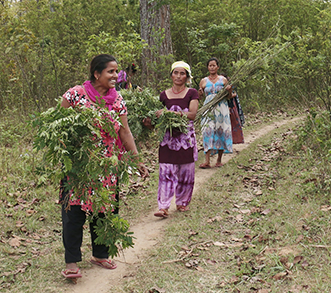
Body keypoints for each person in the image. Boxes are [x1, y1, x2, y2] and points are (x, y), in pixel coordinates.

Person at [59, 54, 147, 280]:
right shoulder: (75, 95)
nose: (116, 76)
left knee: (104, 212)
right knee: (74, 213)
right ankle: (71, 262)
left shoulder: (117, 100)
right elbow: (59, 123)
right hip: (79, 166)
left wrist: (137, 160)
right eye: (111, 71)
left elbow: (124, 132)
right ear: (96, 73)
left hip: (107, 166)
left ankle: (100, 254)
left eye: (116, 71)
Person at [143, 61, 199, 218]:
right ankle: (163, 207)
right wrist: (149, 121)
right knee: (166, 171)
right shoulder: (163, 95)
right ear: (171, 75)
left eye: (182, 73)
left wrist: (173, 114)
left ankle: (182, 202)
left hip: (185, 139)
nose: (178, 76)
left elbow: (193, 114)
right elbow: (156, 117)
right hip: (167, 139)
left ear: (187, 77)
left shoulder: (192, 93)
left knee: (186, 172)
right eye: (176, 73)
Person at [198, 57, 233, 169]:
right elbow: (200, 97)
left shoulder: (223, 80)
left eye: (214, 65)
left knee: (221, 130)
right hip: (208, 108)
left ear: (218, 67)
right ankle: (207, 161)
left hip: (221, 107)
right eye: (210, 65)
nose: (212, 67)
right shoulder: (203, 81)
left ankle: (219, 160)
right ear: (207, 67)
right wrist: (199, 93)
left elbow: (229, 97)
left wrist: (229, 91)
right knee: (207, 130)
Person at [223, 74, 244, 144]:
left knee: (234, 123)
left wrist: (228, 94)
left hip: (231, 106)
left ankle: (236, 139)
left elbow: (234, 94)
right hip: (224, 106)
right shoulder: (220, 87)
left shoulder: (232, 86)